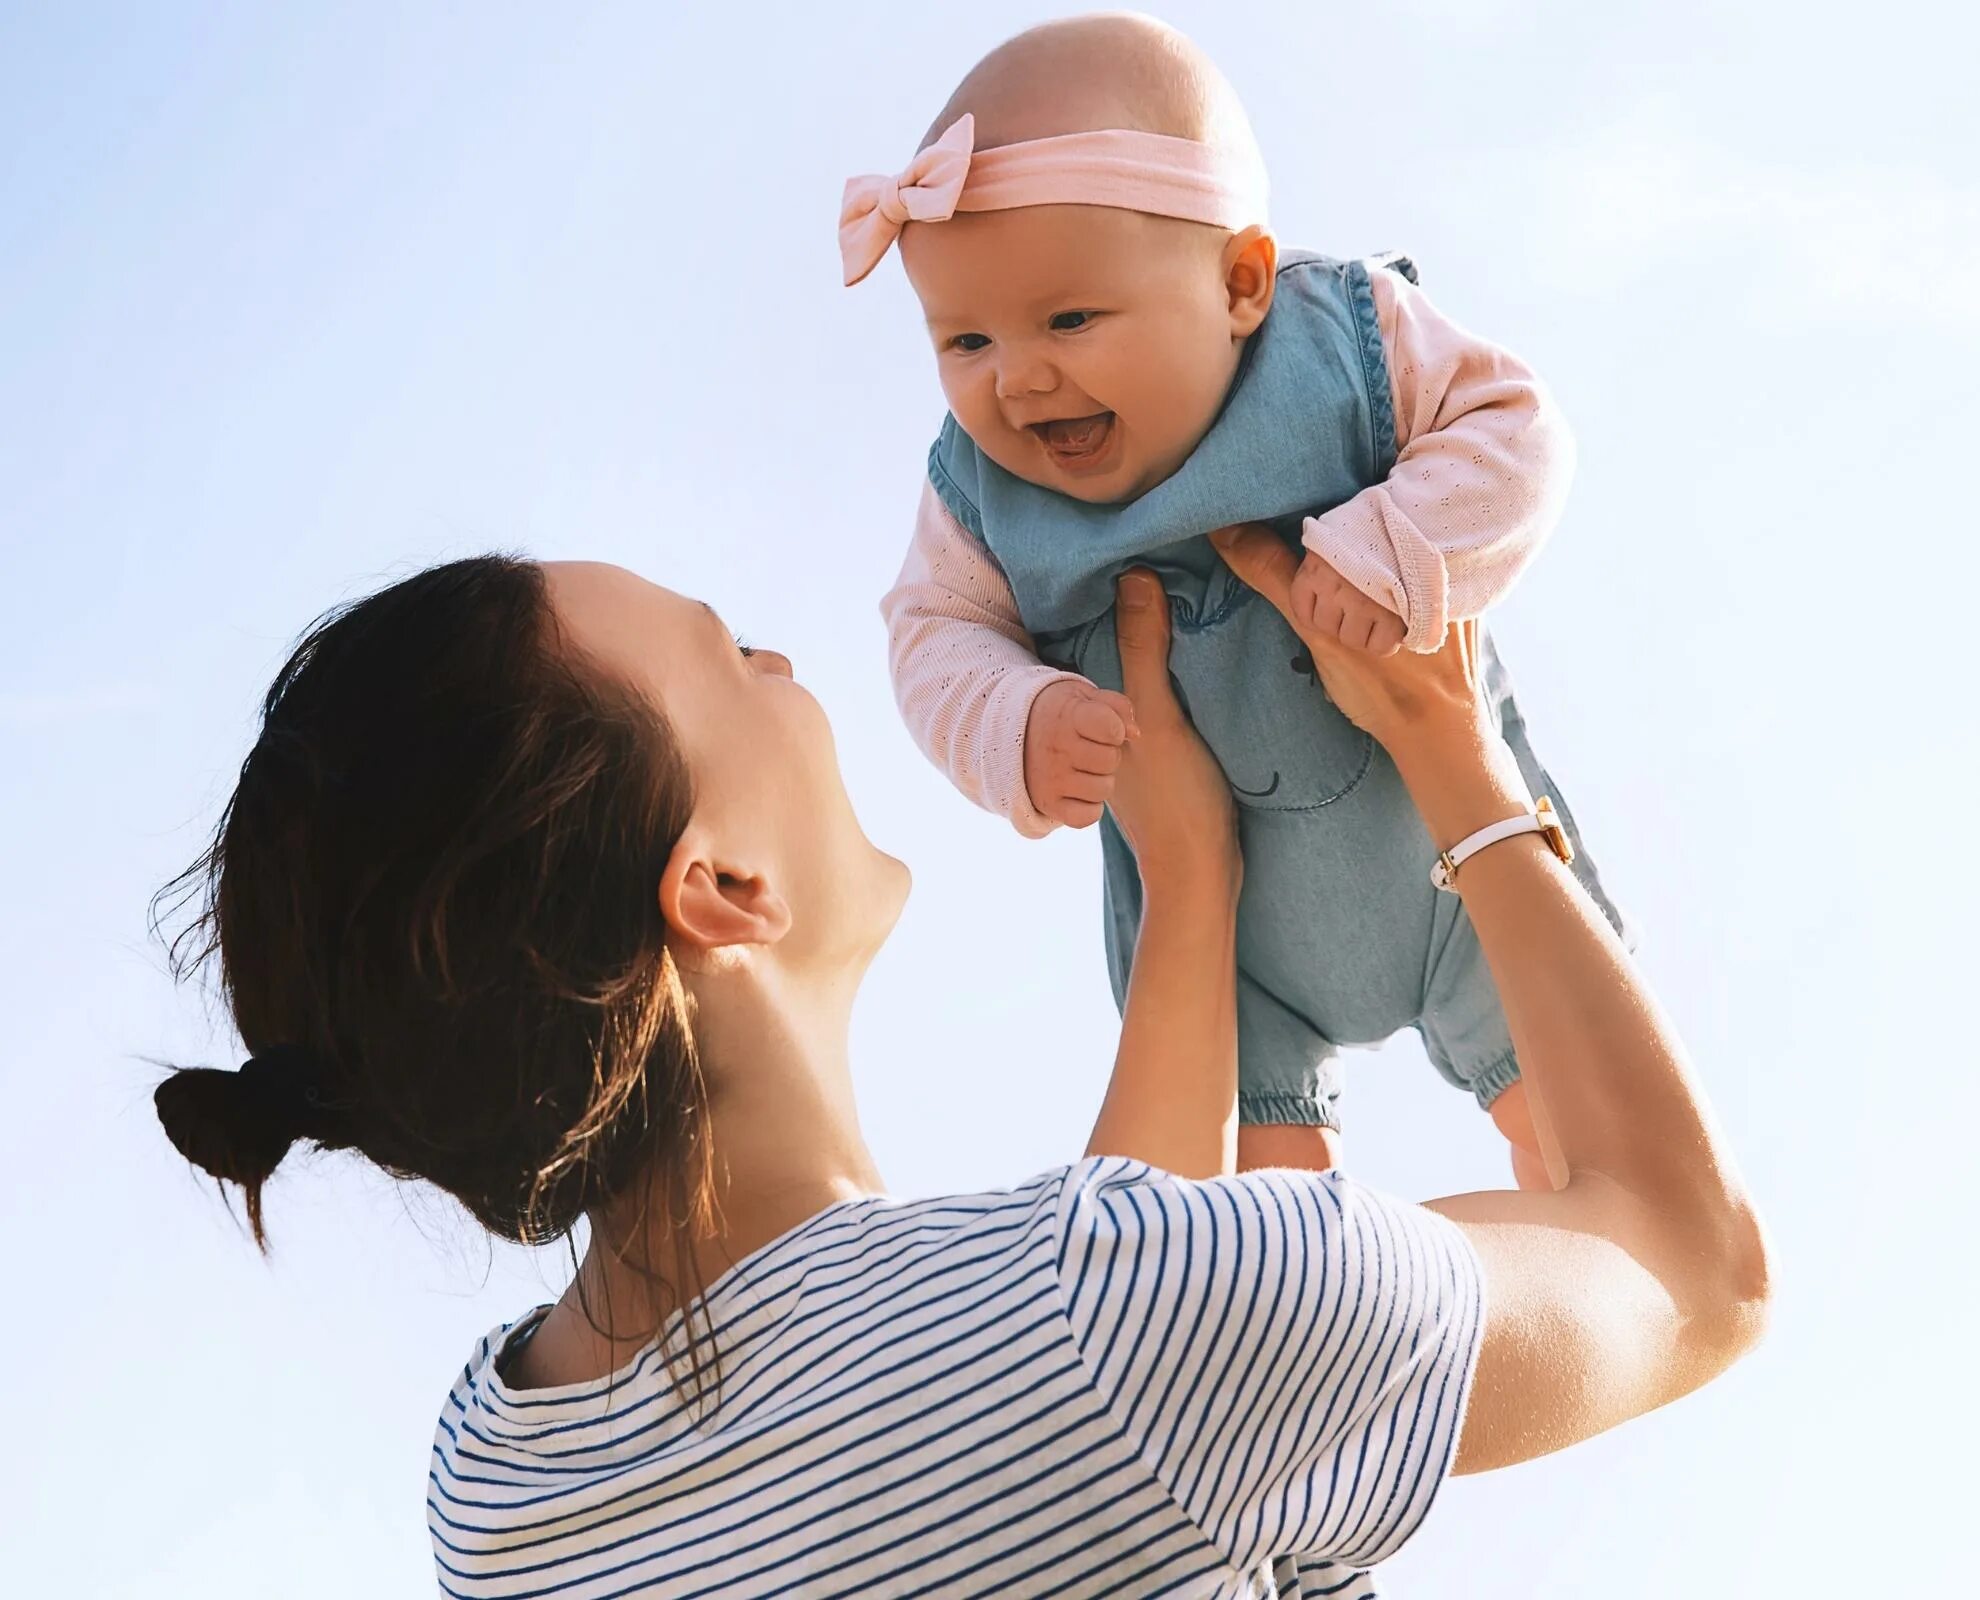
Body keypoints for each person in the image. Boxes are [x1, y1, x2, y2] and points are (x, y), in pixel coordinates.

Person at [153, 530, 1767, 1596]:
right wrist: (1446, 738)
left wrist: (1190, 893)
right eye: (733, 660)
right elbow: (1695, 1268)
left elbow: (1071, 1409)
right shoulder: (1124, 1323)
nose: (788, 674)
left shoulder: (508, 1485)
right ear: (720, 890)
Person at [863, 14, 1623, 1184]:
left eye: (1070, 318)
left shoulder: (1341, 344)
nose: (1018, 377)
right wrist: (1012, 719)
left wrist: (1397, 544)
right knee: (1255, 1225)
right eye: (965, 339)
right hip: (1229, 949)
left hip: (1451, 857)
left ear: (1240, 283)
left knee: (1583, 1140)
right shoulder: (975, 494)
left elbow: (1517, 431)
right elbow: (931, 632)